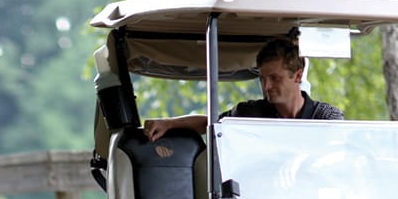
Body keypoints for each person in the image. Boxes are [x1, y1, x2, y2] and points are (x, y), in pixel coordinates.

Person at [143, 38, 343, 141]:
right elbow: (212, 125)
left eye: (275, 78)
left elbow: (339, 155)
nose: (266, 87)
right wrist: (168, 124)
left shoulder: (326, 117)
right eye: (263, 78)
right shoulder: (251, 113)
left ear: (298, 76)